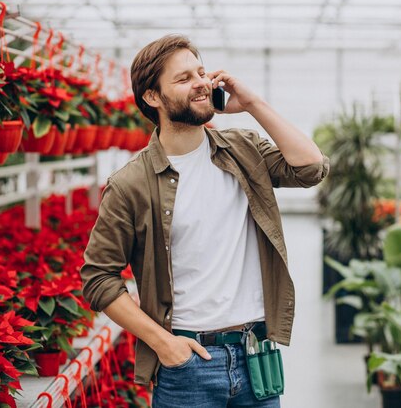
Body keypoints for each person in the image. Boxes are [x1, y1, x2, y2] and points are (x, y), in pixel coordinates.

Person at [80, 34, 329, 407]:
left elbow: (311, 168)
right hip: (188, 365)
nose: (200, 82)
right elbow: (98, 278)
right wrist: (164, 344)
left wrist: (254, 104)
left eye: (201, 71)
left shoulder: (243, 150)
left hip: (256, 354)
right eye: (183, 78)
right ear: (152, 97)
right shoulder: (131, 184)